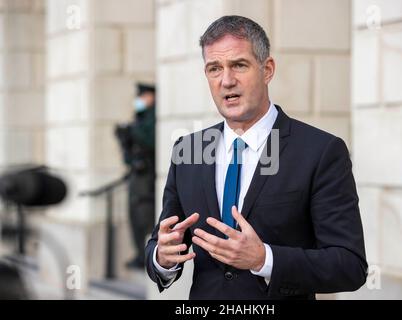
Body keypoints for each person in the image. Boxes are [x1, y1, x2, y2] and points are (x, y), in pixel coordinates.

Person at [145, 16, 367, 299]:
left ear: (267, 69)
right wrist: (162, 257)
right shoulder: (188, 150)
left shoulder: (321, 151)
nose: (226, 80)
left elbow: (349, 265)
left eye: (239, 65)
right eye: (215, 68)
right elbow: (161, 243)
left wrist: (264, 259)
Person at [116, 83, 156, 269]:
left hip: (147, 176)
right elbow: (130, 152)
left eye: (143, 96)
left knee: (144, 215)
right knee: (134, 215)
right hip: (136, 174)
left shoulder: (152, 116)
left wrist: (133, 131)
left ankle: (147, 254)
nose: (139, 100)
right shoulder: (140, 117)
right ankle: (140, 254)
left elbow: (150, 141)